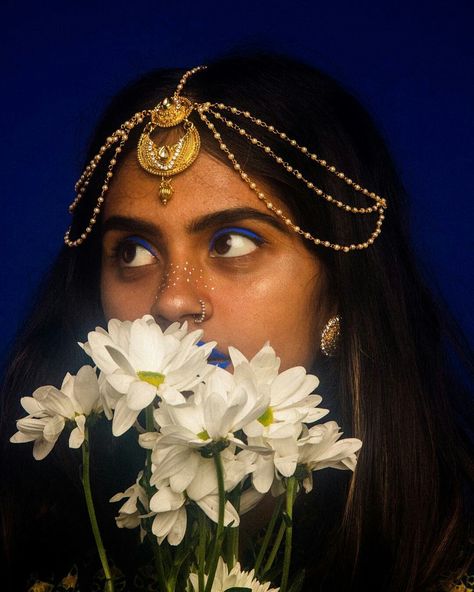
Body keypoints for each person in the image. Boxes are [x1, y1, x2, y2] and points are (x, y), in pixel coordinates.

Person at [1, 52, 473, 592]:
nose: (173, 301)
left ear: (341, 288)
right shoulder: (36, 559)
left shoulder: (444, 570)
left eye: (232, 243)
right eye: (133, 251)